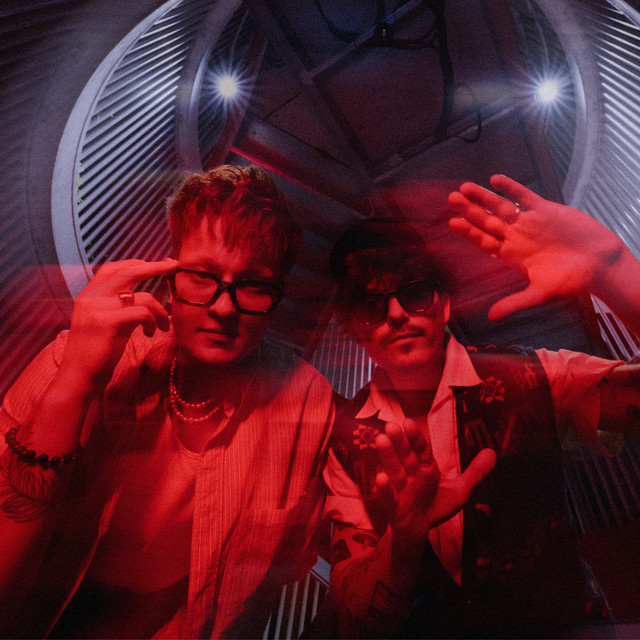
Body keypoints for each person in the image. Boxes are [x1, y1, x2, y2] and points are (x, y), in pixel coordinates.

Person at [0, 164, 334, 638]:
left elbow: (274, 580)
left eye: (253, 285)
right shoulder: (76, 355)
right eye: (202, 275)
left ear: (276, 295)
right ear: (170, 271)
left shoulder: (306, 398)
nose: (224, 307)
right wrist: (74, 384)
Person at [323, 174, 640, 638]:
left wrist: (616, 271)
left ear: (444, 305)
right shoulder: (345, 441)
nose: (396, 314)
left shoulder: (532, 374)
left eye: (414, 293)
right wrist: (404, 538)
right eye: (372, 305)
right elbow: (355, 621)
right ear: (355, 329)